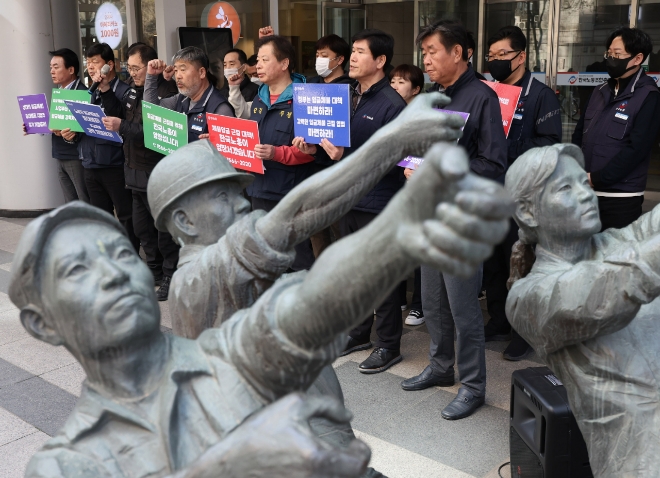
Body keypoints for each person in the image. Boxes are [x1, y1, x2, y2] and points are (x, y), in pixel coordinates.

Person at [13, 138, 512, 477]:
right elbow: (296, 217)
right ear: (184, 222)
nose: (115, 273)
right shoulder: (196, 281)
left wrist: (406, 225)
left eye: (121, 252)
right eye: (77, 271)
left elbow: (319, 297)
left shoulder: (226, 354)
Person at [505, 143, 660, 477]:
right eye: (566, 188)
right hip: (641, 457)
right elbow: (609, 285)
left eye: (585, 183)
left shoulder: (615, 243)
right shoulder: (527, 297)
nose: (587, 195)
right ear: (529, 212)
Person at [401, 19, 507, 420]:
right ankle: (441, 366)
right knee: (433, 301)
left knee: (463, 309)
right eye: (424, 52)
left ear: (459, 53)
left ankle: (474, 386)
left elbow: (493, 163)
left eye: (432, 52)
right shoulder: (434, 96)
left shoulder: (481, 96)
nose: (425, 60)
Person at [295, 29, 408, 373]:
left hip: (380, 202)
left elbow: (398, 158)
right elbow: (336, 144)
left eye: (360, 52)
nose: (353, 57)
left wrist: (346, 154)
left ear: (380, 60)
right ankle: (359, 332)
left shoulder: (392, 104)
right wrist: (314, 146)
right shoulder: (347, 95)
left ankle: (388, 344)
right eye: (353, 51)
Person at [482, 25, 562, 361]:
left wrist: (507, 147)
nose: (497, 61)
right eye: (492, 56)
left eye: (503, 55)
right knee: (494, 264)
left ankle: (523, 332)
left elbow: (549, 144)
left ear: (521, 56)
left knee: (519, 265)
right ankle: (499, 320)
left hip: (522, 197)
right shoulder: (487, 92)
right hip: (489, 193)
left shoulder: (540, 95)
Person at [229, 35, 318, 271]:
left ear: (284, 63)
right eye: (257, 60)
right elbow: (251, 140)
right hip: (259, 189)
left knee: (296, 258)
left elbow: (311, 152)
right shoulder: (260, 98)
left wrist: (276, 153)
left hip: (289, 193)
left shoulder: (305, 98)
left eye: (264, 60)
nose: (257, 65)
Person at [101, 43, 180, 302]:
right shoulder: (132, 92)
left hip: (155, 171)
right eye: (129, 68)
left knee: (163, 230)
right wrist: (104, 89)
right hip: (133, 171)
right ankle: (153, 272)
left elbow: (153, 133)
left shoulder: (165, 92)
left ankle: (170, 274)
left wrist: (122, 126)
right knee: (142, 229)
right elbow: (118, 115)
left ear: (150, 65)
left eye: (136, 68)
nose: (132, 73)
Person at [572, 27, 660, 231]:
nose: (610, 59)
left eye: (617, 54)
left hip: (620, 198)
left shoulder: (649, 96)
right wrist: (575, 169)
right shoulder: (599, 91)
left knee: (613, 258)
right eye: (609, 54)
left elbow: (637, 149)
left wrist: (598, 178)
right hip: (585, 193)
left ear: (637, 58)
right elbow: (579, 133)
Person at [77, 42, 139, 252]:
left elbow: (120, 119)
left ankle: (130, 255)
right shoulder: (89, 92)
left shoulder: (124, 91)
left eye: (96, 62)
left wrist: (105, 89)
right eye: (88, 62)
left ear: (109, 65)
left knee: (125, 215)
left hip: (115, 163)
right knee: (100, 216)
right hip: (91, 163)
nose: (91, 67)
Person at [389, 63, 425, 326]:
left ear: (416, 89)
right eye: (392, 81)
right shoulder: (389, 111)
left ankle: (419, 305)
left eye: (401, 82)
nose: (394, 85)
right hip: (393, 187)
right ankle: (398, 296)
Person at [144, 46, 234, 144]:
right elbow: (151, 110)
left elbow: (229, 150)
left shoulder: (220, 109)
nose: (178, 76)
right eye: (176, 70)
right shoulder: (182, 98)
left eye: (183, 70)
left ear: (202, 72)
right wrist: (151, 76)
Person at [43, 48, 89, 203]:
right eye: (51, 67)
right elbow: (56, 123)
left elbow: (85, 128)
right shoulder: (59, 92)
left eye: (56, 67)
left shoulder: (83, 93)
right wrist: (35, 125)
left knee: (83, 202)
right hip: (60, 154)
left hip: (75, 156)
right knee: (70, 204)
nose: (52, 71)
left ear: (71, 70)